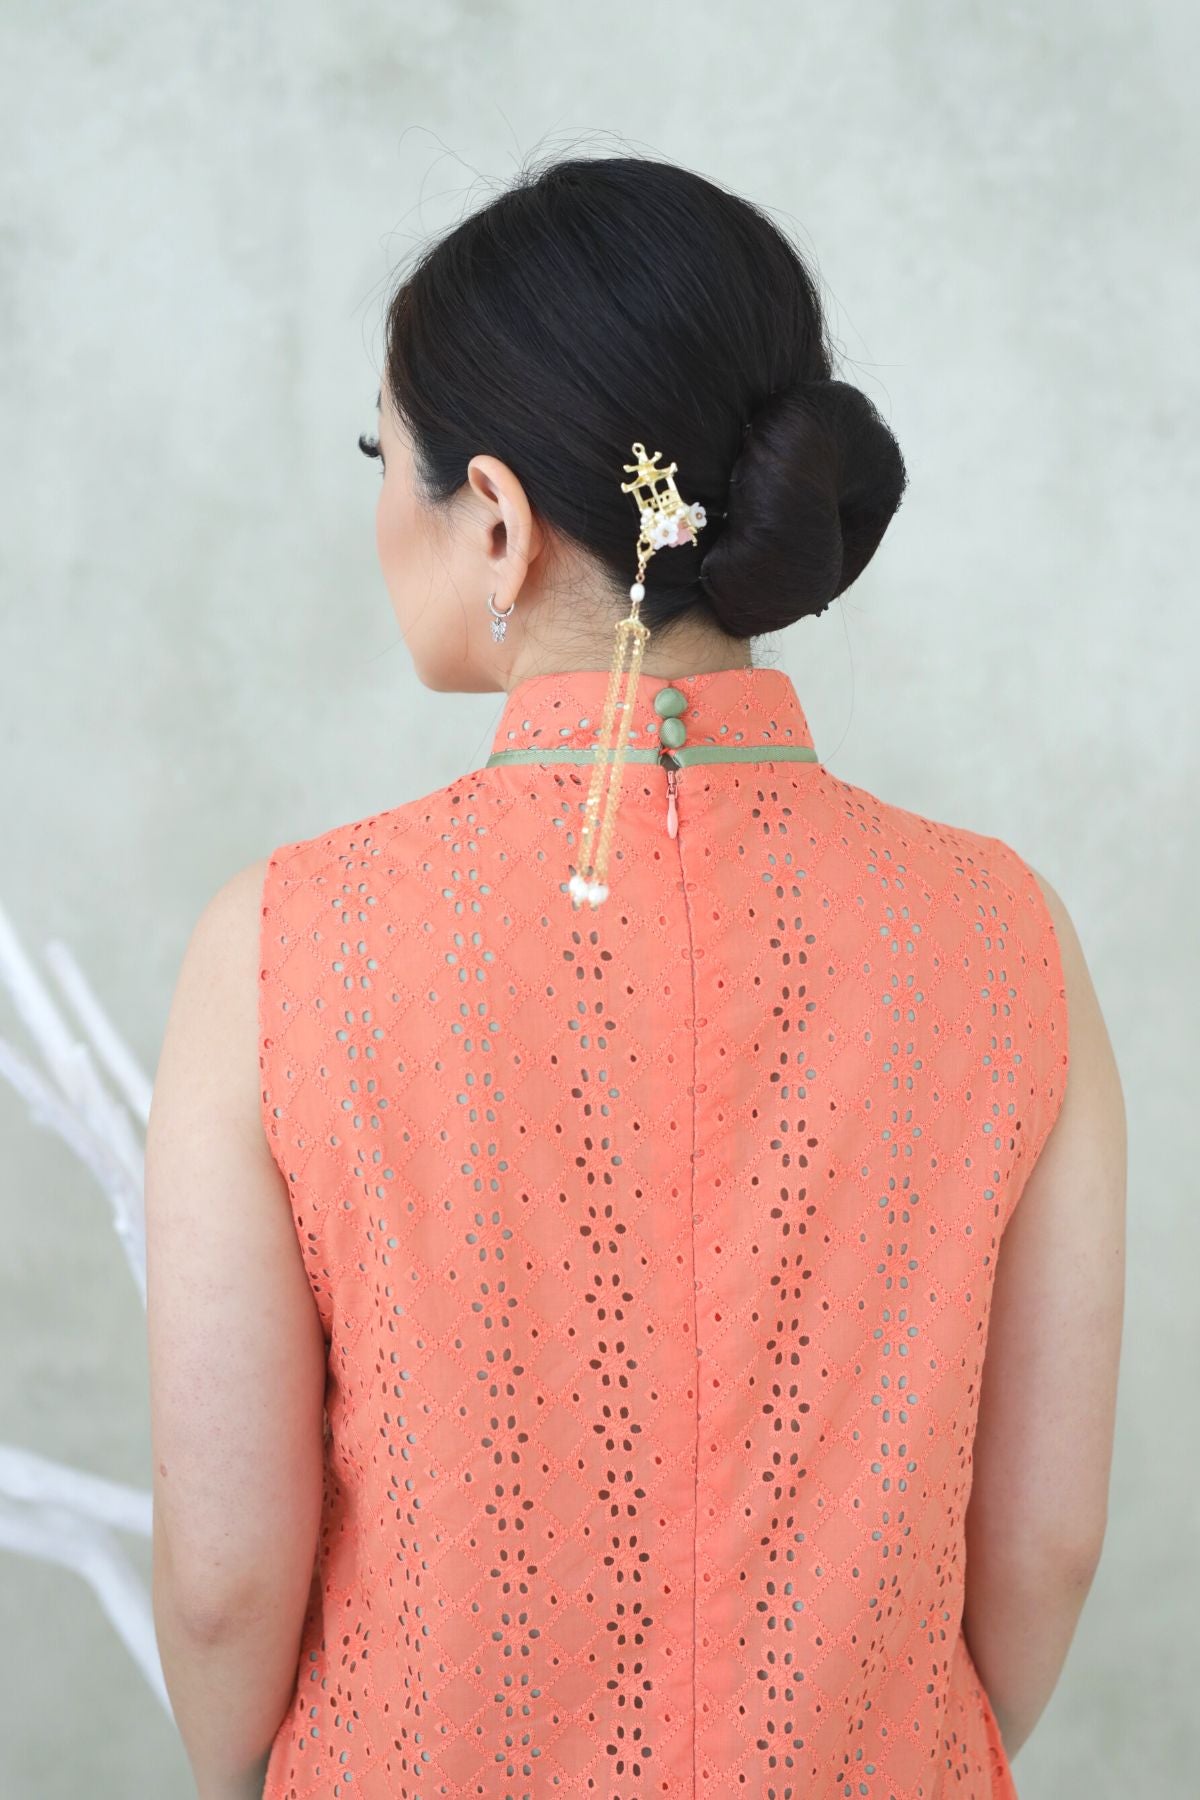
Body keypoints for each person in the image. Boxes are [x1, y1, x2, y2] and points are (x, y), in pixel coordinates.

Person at [145, 153, 1126, 1800]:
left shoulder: (278, 944)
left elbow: (226, 1582)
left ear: (499, 518)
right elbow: (1044, 1548)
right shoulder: (1007, 931)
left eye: (385, 459)